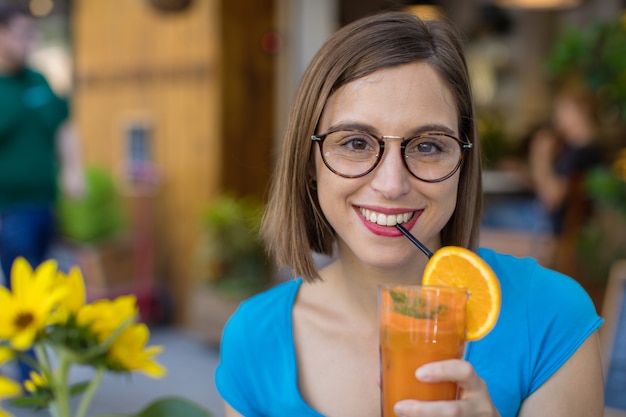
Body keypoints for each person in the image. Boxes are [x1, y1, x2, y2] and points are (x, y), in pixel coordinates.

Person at [215, 11, 604, 417]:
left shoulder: (549, 316)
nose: (391, 184)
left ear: (463, 162)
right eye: (355, 142)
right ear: (310, 164)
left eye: (428, 146)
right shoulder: (254, 338)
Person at [0, 5, 85, 380]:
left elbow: (64, 127)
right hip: (8, 209)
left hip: (45, 204)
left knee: (46, 289)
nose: (28, 42)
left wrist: (73, 171)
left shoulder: (39, 81)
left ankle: (37, 373)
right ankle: (33, 379)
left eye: (32, 34)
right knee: (26, 296)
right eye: (21, 34)